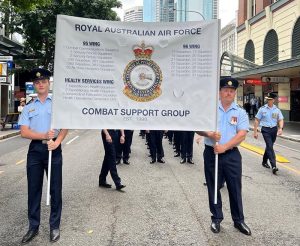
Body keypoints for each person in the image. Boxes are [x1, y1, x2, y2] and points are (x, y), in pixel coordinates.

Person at [18, 68, 68, 244]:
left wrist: (57, 141)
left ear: (49, 83)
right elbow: (24, 132)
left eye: (44, 81)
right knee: (34, 190)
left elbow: (65, 126)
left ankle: (54, 226)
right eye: (38, 82)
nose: (41, 84)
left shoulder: (57, 105)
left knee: (55, 189)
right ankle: (33, 227)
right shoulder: (29, 107)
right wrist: (43, 136)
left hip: (54, 150)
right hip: (35, 152)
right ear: (34, 85)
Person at [196, 77, 251, 236]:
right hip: (212, 153)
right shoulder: (209, 110)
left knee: (235, 187)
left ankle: (238, 220)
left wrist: (225, 147)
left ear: (235, 93)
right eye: (226, 90)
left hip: (232, 155)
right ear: (219, 92)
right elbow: (198, 128)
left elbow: (241, 134)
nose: (229, 93)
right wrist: (209, 134)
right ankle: (216, 218)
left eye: (232, 91)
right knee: (213, 187)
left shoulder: (240, 112)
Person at [253, 92, 284, 174]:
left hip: (274, 129)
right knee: (270, 146)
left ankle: (264, 161)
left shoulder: (277, 110)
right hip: (265, 130)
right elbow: (257, 120)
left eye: (270, 99)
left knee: (269, 146)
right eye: (267, 99)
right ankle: (274, 165)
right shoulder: (262, 109)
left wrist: (280, 128)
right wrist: (255, 131)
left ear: (273, 100)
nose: (268, 101)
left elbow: (280, 119)